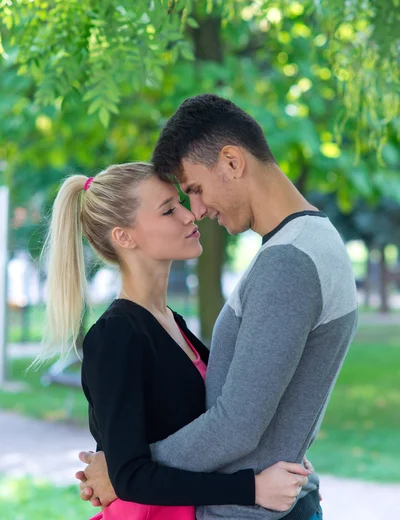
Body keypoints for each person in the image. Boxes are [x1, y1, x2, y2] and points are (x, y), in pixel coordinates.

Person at [78, 95, 358, 520]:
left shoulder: (288, 261)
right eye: (175, 204)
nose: (197, 211)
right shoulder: (304, 245)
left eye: (192, 190)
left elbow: (235, 424)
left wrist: (121, 472)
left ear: (231, 161)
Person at [41, 161, 311, 520]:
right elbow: (132, 475)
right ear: (124, 236)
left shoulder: (170, 321)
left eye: (180, 203)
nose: (190, 216)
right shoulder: (115, 337)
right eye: (169, 210)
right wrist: (253, 488)